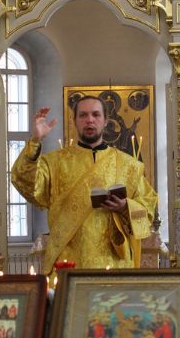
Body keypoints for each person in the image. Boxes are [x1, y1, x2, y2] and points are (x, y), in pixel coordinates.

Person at [11, 96, 157, 273]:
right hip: (68, 263)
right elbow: (25, 182)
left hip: (114, 262)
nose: (90, 120)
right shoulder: (55, 163)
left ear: (105, 121)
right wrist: (35, 141)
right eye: (83, 115)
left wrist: (125, 207)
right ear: (75, 121)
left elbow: (148, 208)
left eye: (96, 114)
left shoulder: (128, 165)